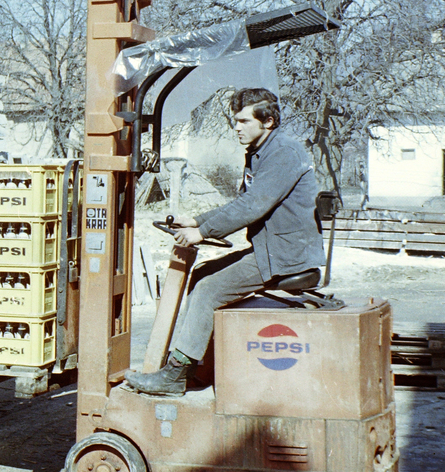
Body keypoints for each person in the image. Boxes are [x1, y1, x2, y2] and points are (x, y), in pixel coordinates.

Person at [123, 87, 323, 396]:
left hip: (286, 256)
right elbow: (240, 204)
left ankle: (174, 376)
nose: (237, 128)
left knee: (207, 290)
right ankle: (198, 366)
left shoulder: (283, 152)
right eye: (235, 121)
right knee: (202, 273)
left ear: (268, 121)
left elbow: (253, 206)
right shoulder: (260, 154)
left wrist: (202, 234)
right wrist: (198, 221)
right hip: (272, 250)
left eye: (244, 121)